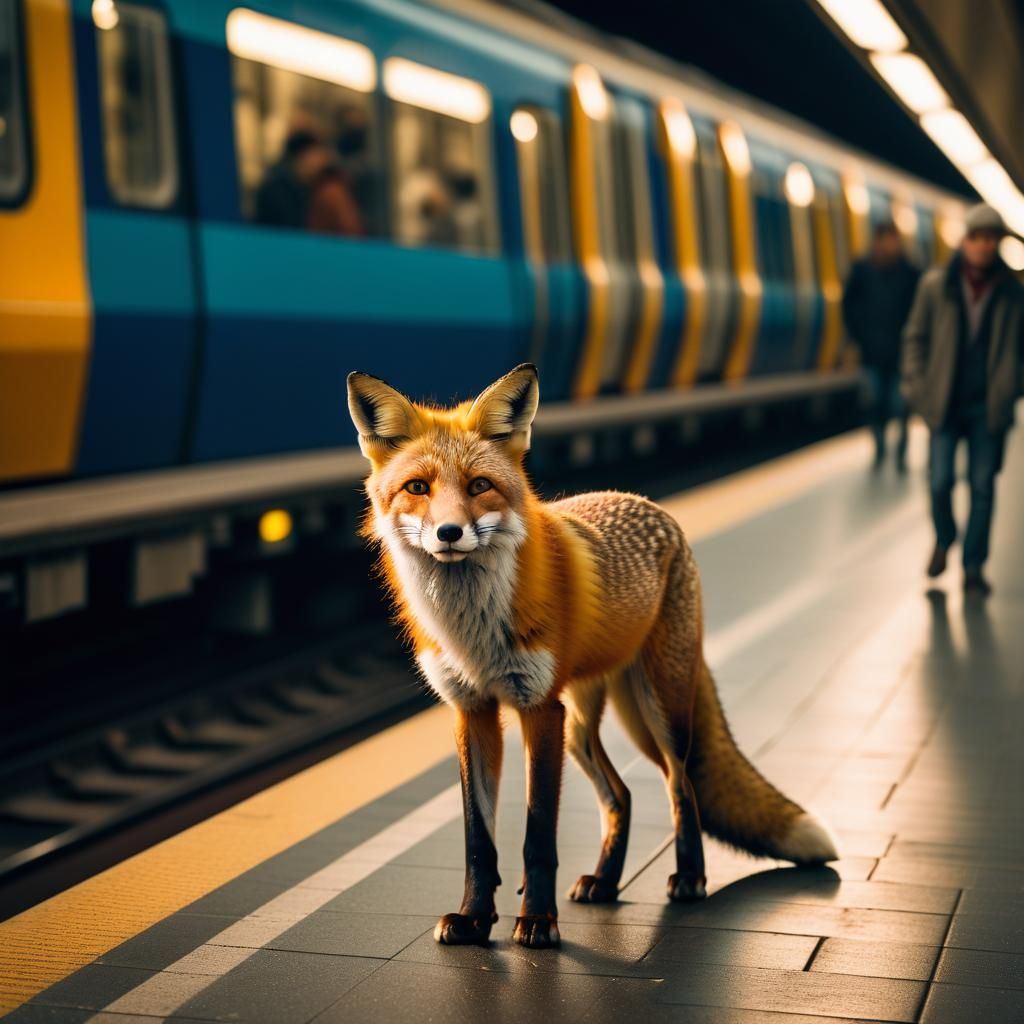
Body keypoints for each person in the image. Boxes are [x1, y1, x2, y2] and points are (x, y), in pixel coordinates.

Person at [902, 204, 1024, 596]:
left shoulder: (1012, 293)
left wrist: (1012, 387)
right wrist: (917, 389)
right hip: (944, 403)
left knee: (983, 487)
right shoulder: (936, 286)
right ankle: (945, 537)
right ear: (964, 240)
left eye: (992, 239)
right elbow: (915, 338)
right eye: (978, 237)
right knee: (938, 482)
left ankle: (973, 567)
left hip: (989, 408)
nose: (984, 246)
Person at [842, 221, 921, 471]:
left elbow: (919, 312)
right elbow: (849, 306)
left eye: (892, 239)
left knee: (900, 404)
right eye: (885, 239)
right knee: (874, 401)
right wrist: (859, 335)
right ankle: (879, 447)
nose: (889, 244)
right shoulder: (862, 270)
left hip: (901, 352)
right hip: (872, 351)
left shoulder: (910, 273)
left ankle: (901, 448)